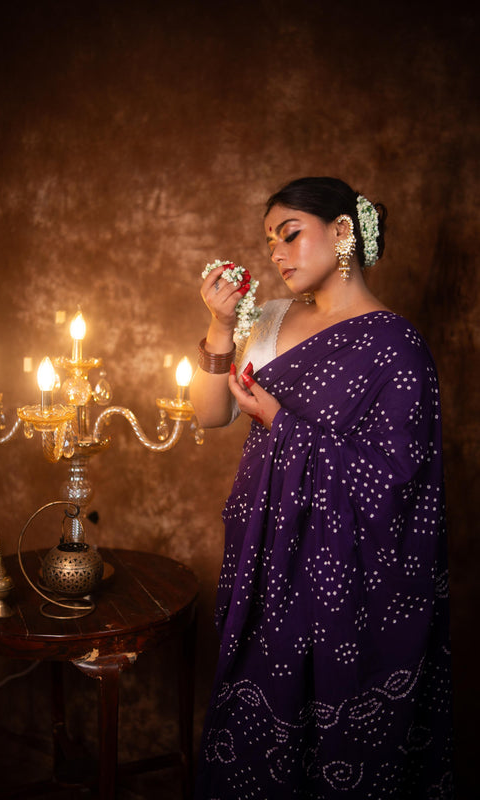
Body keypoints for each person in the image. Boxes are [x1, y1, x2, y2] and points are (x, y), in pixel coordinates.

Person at [190, 177, 453, 799]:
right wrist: (220, 326)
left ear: (341, 232)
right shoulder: (271, 318)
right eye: (269, 242)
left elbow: (397, 484)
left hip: (345, 571)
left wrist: (282, 423)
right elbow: (209, 414)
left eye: (290, 235)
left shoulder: (396, 346)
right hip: (264, 551)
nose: (277, 254)